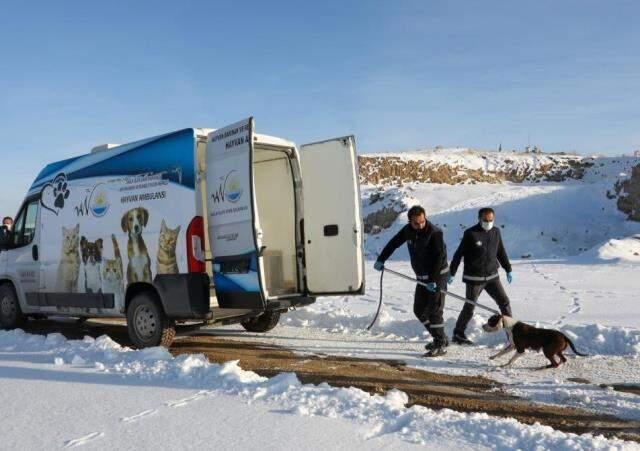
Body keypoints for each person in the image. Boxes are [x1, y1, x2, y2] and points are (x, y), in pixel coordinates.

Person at [374, 205, 450, 357]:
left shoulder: (435, 233)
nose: (420, 225)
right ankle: (439, 337)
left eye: (422, 221)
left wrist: (433, 280)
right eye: (416, 223)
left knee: (435, 311)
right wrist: (381, 259)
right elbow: (394, 243)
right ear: (410, 222)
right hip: (421, 277)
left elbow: (439, 257)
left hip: (437, 276)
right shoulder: (408, 230)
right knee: (419, 310)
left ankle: (440, 343)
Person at [448, 207, 513, 345]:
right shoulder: (470, 233)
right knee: (470, 306)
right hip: (474, 279)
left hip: (492, 277)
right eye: (485, 220)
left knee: (504, 302)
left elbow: (500, 251)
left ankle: (512, 334)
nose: (488, 222)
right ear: (479, 219)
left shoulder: (496, 232)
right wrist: (452, 272)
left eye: (491, 220)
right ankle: (458, 333)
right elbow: (458, 254)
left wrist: (508, 268)